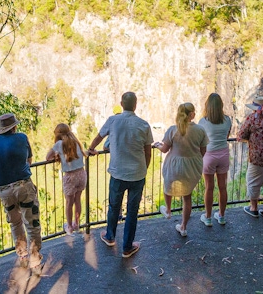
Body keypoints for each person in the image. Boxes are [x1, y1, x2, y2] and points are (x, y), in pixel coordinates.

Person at [87, 92, 153, 259]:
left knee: (114, 206)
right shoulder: (143, 125)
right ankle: (127, 247)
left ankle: (110, 236)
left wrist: (91, 149)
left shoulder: (113, 120)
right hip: (137, 174)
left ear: (121, 104)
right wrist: (144, 168)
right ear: (135, 105)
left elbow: (99, 137)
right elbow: (148, 151)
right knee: (132, 211)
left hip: (117, 173)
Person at [0, 113, 42, 268]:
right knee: (31, 221)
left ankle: (22, 255)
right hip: (24, 186)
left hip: (4, 190)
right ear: (14, 126)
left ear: (0, 129)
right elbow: (28, 161)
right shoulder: (22, 138)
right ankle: (35, 258)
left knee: (15, 223)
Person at [156, 103, 208, 237]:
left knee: (168, 184)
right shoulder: (200, 130)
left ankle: (168, 210)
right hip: (192, 164)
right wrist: (193, 157)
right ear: (191, 115)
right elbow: (203, 151)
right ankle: (183, 227)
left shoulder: (173, 130)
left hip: (174, 163)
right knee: (187, 196)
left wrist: (157, 145)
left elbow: (165, 149)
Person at [237, 95, 263, 222]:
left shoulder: (251, 119)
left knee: (253, 182)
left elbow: (242, 134)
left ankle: (253, 208)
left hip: (257, 157)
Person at [46, 123, 87, 235]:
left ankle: (69, 226)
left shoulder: (59, 144)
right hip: (82, 174)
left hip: (70, 176)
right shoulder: (75, 141)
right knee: (77, 200)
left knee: (69, 202)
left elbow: (48, 157)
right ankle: (76, 224)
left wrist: (56, 156)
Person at [197, 93, 231, 226]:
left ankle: (208, 217)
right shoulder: (227, 120)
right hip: (223, 154)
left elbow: (201, 139)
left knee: (209, 188)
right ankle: (222, 216)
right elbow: (227, 136)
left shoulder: (203, 122)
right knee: (223, 187)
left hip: (209, 155)